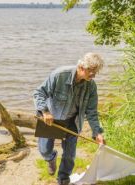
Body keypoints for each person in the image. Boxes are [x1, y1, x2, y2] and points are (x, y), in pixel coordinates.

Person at [33, 53, 105, 185]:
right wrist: (45, 111)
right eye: (92, 71)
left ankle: (63, 179)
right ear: (82, 67)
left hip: (73, 121)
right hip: (52, 120)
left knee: (69, 155)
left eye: (96, 72)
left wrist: (97, 132)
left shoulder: (91, 86)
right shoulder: (60, 74)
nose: (94, 75)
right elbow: (39, 93)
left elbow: (92, 112)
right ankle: (51, 158)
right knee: (44, 150)